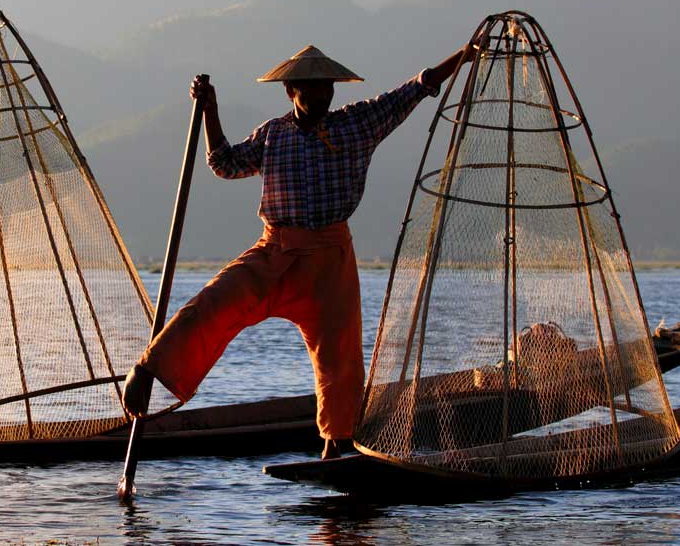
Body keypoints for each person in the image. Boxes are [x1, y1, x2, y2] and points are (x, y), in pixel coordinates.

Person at [121, 45, 474, 459]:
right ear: (291, 90)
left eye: (326, 88)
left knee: (339, 359)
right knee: (213, 303)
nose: (322, 96)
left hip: (329, 262)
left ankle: (337, 443)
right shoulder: (273, 134)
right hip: (274, 254)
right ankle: (150, 369)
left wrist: (463, 56)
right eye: (311, 88)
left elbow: (417, 88)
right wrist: (210, 110)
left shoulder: (356, 124)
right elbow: (224, 163)